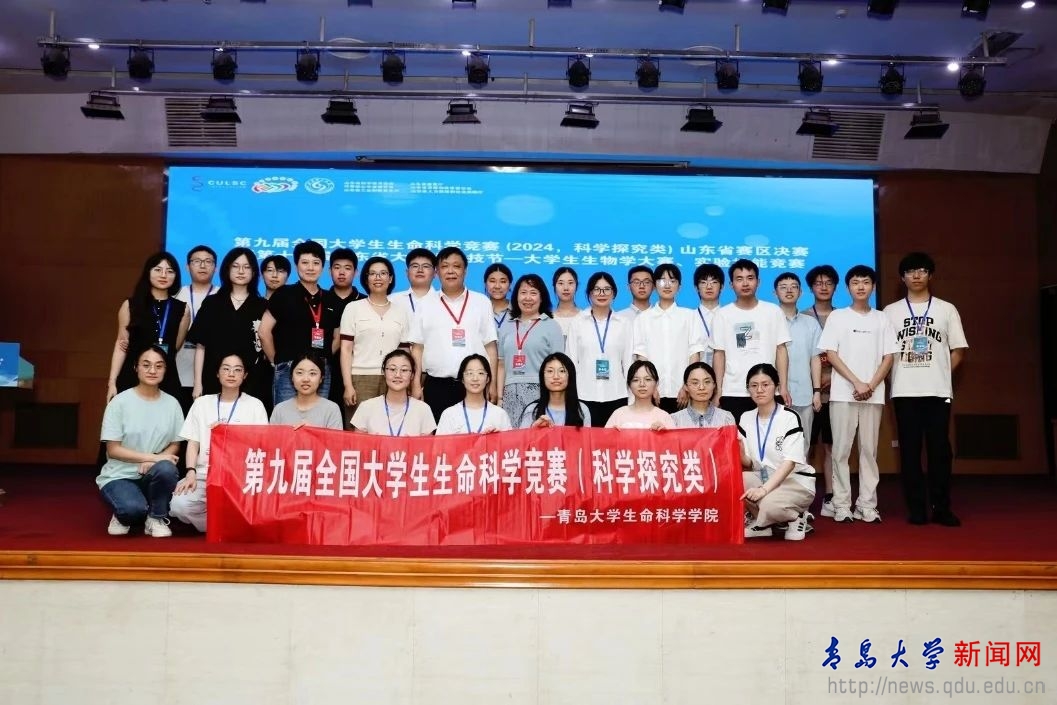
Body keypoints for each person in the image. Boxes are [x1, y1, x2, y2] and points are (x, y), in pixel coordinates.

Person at [882, 252, 968, 527]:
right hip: (904, 391)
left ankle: (941, 508)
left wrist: (941, 373)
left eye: (922, 270)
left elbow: (958, 350)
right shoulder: (890, 312)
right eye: (910, 271)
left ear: (931, 275)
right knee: (909, 452)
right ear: (902, 278)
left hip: (937, 392)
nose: (916, 275)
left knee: (940, 451)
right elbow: (884, 354)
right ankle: (916, 508)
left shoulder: (946, 309)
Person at [819, 265, 898, 524]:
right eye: (855, 282)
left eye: (865, 282)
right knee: (841, 451)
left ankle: (866, 504)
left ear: (873, 286)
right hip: (844, 393)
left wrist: (870, 385)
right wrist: (856, 382)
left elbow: (889, 357)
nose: (860, 286)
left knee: (869, 451)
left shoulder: (882, 319)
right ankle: (841, 504)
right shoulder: (838, 317)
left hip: (873, 395)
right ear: (848, 287)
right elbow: (831, 354)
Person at [171, 352, 269, 533]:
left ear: (245, 375)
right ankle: (221, 524)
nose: (231, 374)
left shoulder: (255, 405)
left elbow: (261, 446)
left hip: (240, 477)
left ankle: (226, 520)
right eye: (226, 369)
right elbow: (193, 443)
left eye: (237, 370)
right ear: (217, 373)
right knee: (178, 505)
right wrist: (191, 471)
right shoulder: (201, 404)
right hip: (204, 474)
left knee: (260, 507)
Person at [97, 346, 183, 538]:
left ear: (165, 369)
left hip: (152, 473)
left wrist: (156, 461)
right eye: (146, 365)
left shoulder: (172, 404)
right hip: (119, 475)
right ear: (136, 367)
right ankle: (122, 513)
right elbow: (113, 450)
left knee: (167, 469)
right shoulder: (119, 402)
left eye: (159, 366)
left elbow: (176, 443)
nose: (152, 370)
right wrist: (152, 458)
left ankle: (155, 517)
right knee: (132, 510)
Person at [409, 246, 499, 421]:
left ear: (465, 271)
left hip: (474, 385)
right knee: (438, 436)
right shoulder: (425, 304)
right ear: (436, 272)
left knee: (474, 434)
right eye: (445, 266)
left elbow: (490, 346)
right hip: (437, 385)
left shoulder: (481, 302)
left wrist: (493, 384)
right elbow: (417, 348)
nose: (450, 271)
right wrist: (416, 384)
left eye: (456, 266)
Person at [739, 363, 816, 541]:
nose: (759, 390)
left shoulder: (789, 417)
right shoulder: (746, 418)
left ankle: (797, 517)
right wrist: (741, 455)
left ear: (777, 387)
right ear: (748, 389)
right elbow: (750, 463)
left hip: (795, 481)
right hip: (765, 477)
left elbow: (789, 463)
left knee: (769, 504)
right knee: (737, 481)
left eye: (765, 384)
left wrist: (763, 490)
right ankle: (763, 524)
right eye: (754, 385)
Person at [259, 241, 340, 406]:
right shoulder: (283, 294)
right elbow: (264, 331)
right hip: (288, 367)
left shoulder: (331, 298)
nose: (310, 268)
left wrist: (322, 357)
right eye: (305, 262)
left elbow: (337, 336)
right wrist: (278, 362)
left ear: (322, 267)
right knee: (287, 417)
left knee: (317, 418)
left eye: (316, 263)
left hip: (320, 370)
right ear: (296, 265)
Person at [187, 247, 270, 407]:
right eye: (235, 266)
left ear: (254, 272)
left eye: (246, 267)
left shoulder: (262, 305)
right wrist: (197, 384)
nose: (241, 271)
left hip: (253, 380)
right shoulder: (212, 303)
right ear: (227, 269)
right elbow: (201, 347)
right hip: (214, 378)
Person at [712, 259, 792, 422]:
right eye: (739, 279)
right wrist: (718, 390)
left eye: (750, 278)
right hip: (733, 391)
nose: (745, 283)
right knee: (736, 437)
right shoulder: (722, 314)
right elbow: (719, 354)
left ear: (758, 282)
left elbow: (781, 350)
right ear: (731, 284)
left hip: (768, 389)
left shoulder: (773, 311)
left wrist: (783, 386)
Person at [107, 252, 190, 403]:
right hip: (132, 375)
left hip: (166, 377)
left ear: (176, 276)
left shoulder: (182, 310)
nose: (163, 275)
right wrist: (112, 382)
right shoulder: (130, 305)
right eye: (158, 270)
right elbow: (121, 345)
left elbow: (175, 346)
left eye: (169, 271)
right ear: (148, 272)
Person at [339, 256, 411, 424]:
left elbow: (405, 351)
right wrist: (348, 385)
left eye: (383, 273)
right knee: (360, 429)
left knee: (391, 428)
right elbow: (346, 349)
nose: (378, 278)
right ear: (366, 279)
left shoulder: (401, 311)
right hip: (360, 378)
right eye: (372, 274)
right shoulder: (353, 308)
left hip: (394, 378)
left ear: (390, 278)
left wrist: (406, 382)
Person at [632, 263, 706, 413]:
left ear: (679, 286)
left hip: (682, 393)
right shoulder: (643, 318)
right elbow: (641, 356)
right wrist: (650, 387)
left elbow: (694, 353)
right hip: (653, 393)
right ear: (654, 285)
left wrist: (687, 386)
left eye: (672, 281)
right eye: (662, 280)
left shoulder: (689, 316)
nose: (667, 285)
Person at [565, 271, 634, 427]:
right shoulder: (577, 322)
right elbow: (571, 362)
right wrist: (571, 397)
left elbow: (628, 363)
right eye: (597, 289)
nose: (601, 294)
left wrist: (632, 398)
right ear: (589, 293)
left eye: (606, 289)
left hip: (617, 394)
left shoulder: (624, 324)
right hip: (584, 395)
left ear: (614, 293)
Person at [497, 274, 564, 426]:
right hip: (510, 393)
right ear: (516, 296)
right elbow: (500, 364)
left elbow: (558, 366)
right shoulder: (506, 325)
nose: (528, 298)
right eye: (523, 292)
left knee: (538, 437)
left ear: (542, 298)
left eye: (533, 293)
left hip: (541, 392)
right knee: (512, 438)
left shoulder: (552, 326)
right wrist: (500, 397)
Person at [803, 264, 839, 514]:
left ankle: (830, 496)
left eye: (828, 283)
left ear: (836, 287)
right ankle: (802, 498)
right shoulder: (803, 317)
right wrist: (815, 382)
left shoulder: (843, 317)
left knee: (831, 447)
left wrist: (834, 377)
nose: (823, 287)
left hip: (837, 394)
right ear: (811, 287)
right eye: (818, 283)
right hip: (807, 394)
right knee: (804, 447)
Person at [774, 272, 823, 442]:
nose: (789, 290)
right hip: (774, 395)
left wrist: (817, 392)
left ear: (800, 292)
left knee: (803, 443)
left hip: (804, 394)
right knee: (776, 443)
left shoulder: (811, 323)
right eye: (783, 287)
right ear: (775, 292)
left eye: (793, 287)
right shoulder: (769, 321)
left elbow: (815, 359)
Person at [351, 349, 437, 436]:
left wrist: (411, 443)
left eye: (404, 370)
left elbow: (428, 444)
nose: (398, 375)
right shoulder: (366, 407)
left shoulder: (423, 409)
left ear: (412, 375)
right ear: (384, 372)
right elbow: (357, 443)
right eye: (392, 369)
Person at [174, 245, 218, 410]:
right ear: (187, 266)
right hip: (177, 369)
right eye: (197, 261)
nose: (202, 265)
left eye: (208, 261)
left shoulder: (222, 296)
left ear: (216, 268)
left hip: (211, 373)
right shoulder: (176, 294)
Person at [324, 248, 362, 415]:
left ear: (356, 272)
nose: (341, 272)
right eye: (337, 267)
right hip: (325, 370)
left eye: (347, 268)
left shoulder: (364, 301)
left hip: (357, 371)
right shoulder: (320, 299)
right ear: (329, 271)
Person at [436, 354, 512, 435]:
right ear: (462, 379)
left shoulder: (500, 414)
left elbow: (510, 442)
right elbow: (441, 443)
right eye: (470, 373)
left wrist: (495, 438)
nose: (475, 378)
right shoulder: (449, 414)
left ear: (487, 379)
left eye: (480, 373)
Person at [269, 352, 344, 429]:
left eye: (312, 373)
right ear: (292, 377)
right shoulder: (279, 410)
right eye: (299, 373)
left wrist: (313, 432)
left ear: (321, 378)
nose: (306, 379)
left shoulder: (331, 409)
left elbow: (336, 437)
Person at [519, 352, 591, 428]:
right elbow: (522, 436)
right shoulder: (532, 410)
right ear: (542, 376)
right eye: (550, 371)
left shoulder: (582, 410)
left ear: (570, 376)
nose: (556, 376)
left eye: (562, 371)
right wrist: (534, 428)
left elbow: (587, 436)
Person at [605, 360, 676, 430]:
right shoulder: (618, 414)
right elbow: (603, 437)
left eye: (647, 379)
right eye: (636, 380)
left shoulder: (664, 417)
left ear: (656, 383)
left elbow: (675, 437)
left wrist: (664, 434)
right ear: (629, 385)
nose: (642, 384)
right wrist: (612, 434)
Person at [671, 362, 736, 429]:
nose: (701, 387)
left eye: (707, 382)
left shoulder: (726, 418)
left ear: (714, 385)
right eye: (695, 383)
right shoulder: (674, 420)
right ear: (685, 387)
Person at [392, 248, 438, 320]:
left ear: (435, 273)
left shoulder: (444, 300)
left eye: (426, 266)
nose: (420, 270)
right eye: (415, 266)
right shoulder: (392, 300)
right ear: (407, 272)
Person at [693, 263, 725, 367]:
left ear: (722, 287)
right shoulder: (690, 318)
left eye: (714, 282)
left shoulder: (729, 316)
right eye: (703, 282)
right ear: (696, 288)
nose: (709, 286)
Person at [552, 266, 580, 339]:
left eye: (570, 283)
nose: (566, 288)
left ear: (576, 286)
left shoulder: (584, 317)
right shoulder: (547, 319)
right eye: (561, 283)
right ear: (554, 286)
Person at [484, 263, 513, 331]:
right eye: (492, 281)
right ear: (485, 284)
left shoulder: (518, 309)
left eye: (503, 281)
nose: (497, 286)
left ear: (510, 285)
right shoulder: (478, 309)